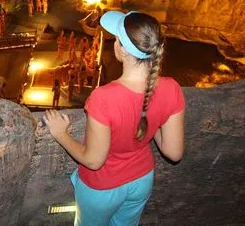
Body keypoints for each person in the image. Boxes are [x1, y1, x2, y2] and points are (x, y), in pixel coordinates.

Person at [43, 11, 185, 226]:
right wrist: (148, 118)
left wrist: (61, 133)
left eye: (116, 39)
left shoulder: (103, 97)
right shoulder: (171, 88)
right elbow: (174, 153)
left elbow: (93, 159)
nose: (114, 43)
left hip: (103, 188)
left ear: (123, 50)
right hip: (141, 180)